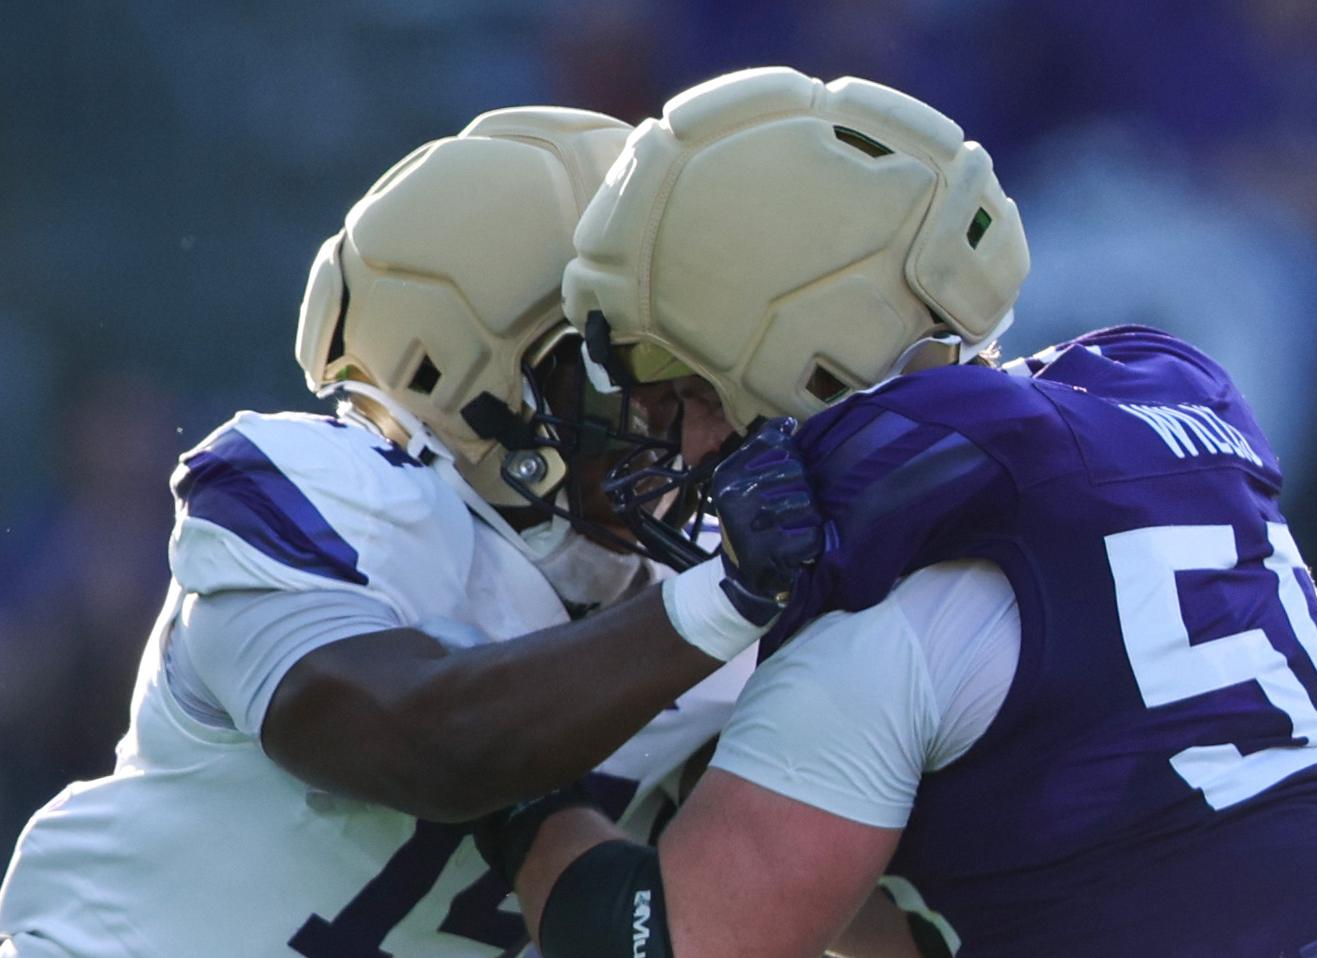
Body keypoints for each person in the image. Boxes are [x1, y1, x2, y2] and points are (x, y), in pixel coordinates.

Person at [491, 68, 1317, 958]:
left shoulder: (886, 623)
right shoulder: (1131, 430)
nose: (682, 445)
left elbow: (664, 944)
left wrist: (524, 786)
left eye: (686, 390)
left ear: (803, 357)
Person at [0, 106, 826, 958]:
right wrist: (724, 601)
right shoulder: (326, 488)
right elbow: (432, 746)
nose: (692, 424)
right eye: (639, 370)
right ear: (477, 369)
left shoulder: (713, 608)